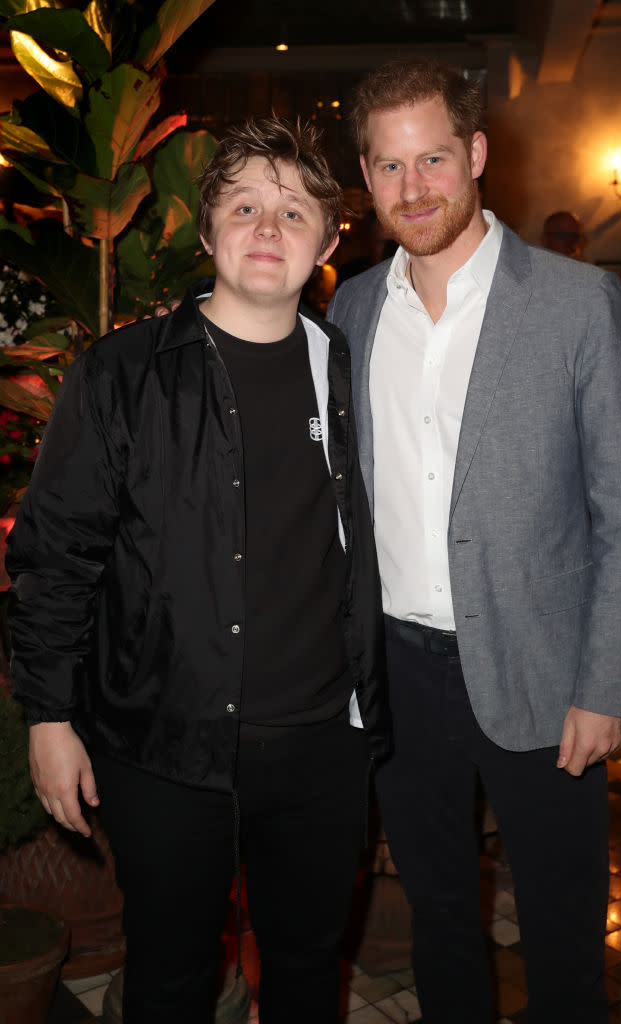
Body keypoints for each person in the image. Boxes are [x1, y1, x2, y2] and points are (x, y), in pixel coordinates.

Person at [7, 116, 391, 1024]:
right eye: (246, 206)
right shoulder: (120, 374)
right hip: (165, 749)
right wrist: (50, 716)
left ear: (329, 241)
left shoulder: (355, 372)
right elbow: (55, 554)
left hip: (322, 743)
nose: (268, 229)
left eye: (294, 213)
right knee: (170, 977)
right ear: (209, 229)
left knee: (305, 968)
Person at [327, 61, 621, 1024]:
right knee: (437, 913)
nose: (413, 188)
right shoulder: (350, 310)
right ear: (367, 173)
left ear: (474, 154)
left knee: (562, 929)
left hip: (544, 667)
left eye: (431, 157)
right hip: (399, 668)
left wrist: (604, 686)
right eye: (389, 167)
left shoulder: (574, 302)